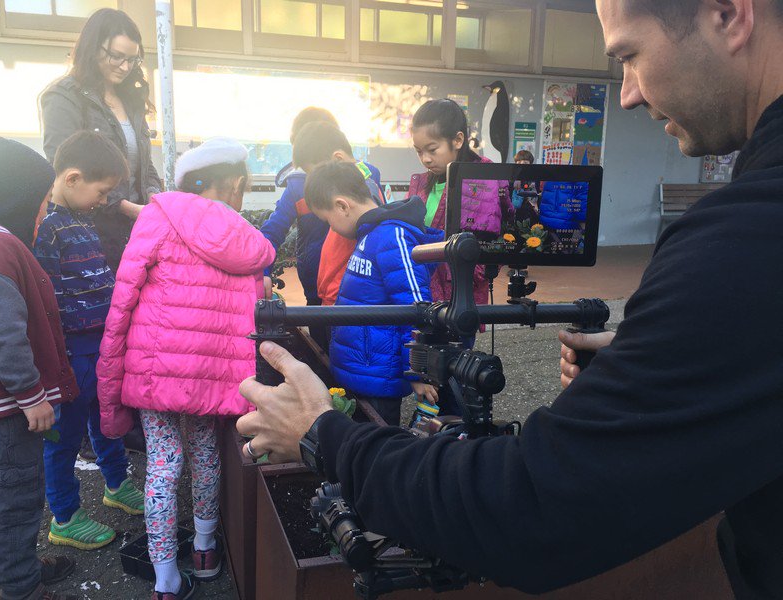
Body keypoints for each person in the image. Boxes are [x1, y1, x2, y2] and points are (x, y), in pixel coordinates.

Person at [236, 0, 783, 597]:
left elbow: (537, 509)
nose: (626, 93)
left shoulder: (745, 239)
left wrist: (324, 435)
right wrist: (653, 357)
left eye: (629, 55)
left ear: (730, 15)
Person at [97, 138, 274, 600]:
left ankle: (165, 580)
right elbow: (257, 313)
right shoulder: (245, 239)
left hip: (153, 370)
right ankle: (205, 551)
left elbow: (124, 299)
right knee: (204, 454)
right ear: (235, 183)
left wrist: (110, 378)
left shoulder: (159, 215)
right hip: (211, 378)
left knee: (162, 464)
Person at [33, 131, 144, 552]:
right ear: (74, 178)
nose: (103, 200)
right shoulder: (47, 228)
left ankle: (115, 484)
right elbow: (45, 298)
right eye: (101, 191)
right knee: (64, 434)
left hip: (100, 344)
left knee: (107, 418)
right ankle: (64, 516)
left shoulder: (81, 218)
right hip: (70, 352)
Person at [0, 136, 79, 600]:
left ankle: (15, 565)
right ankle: (20, 588)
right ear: (17, 195)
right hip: (8, 409)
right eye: (40, 202)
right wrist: (32, 394)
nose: (42, 215)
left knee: (0, 496)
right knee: (16, 498)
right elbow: (1, 332)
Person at [303, 161, 442, 425]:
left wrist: (418, 372)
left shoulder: (392, 236)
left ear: (342, 206)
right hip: (364, 371)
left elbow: (416, 307)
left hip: (379, 378)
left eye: (327, 221)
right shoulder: (370, 234)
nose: (331, 228)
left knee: (379, 446)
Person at [40, 8, 161, 272]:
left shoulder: (132, 101)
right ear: (93, 49)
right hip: (89, 231)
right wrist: (128, 207)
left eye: (133, 60)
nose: (125, 67)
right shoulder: (64, 96)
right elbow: (66, 166)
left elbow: (145, 165)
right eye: (117, 56)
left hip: (136, 231)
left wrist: (156, 199)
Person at [260, 108, 381, 350]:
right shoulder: (297, 186)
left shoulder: (368, 177)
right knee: (322, 347)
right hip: (317, 284)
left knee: (357, 346)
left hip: (359, 286)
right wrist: (263, 271)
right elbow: (272, 231)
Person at [408, 99, 513, 306]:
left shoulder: (485, 180)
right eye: (419, 151)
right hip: (423, 289)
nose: (425, 159)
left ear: (457, 140)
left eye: (432, 149)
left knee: (458, 338)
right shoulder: (420, 182)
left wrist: (475, 274)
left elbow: (500, 232)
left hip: (461, 293)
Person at [291, 122, 385, 308]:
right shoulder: (356, 194)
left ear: (338, 159)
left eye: (316, 171)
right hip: (334, 300)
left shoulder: (360, 199)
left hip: (343, 303)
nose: (316, 179)